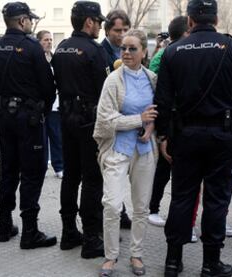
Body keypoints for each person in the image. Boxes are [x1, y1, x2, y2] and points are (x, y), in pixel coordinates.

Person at [154, 0, 232, 276]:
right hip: (222, 135)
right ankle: (211, 264)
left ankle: (172, 262)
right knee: (216, 199)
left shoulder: (173, 51)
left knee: (181, 198)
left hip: (185, 135)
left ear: (189, 21)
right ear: (216, 19)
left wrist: (163, 135)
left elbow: (162, 100)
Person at [0, 2, 57, 249]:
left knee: (8, 170)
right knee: (31, 173)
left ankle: (4, 226)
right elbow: (49, 87)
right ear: (23, 20)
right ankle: (30, 231)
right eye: (30, 20)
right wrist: (41, 111)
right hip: (28, 119)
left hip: (5, 116)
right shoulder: (31, 47)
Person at [94, 29, 158, 277]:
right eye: (124, 48)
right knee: (111, 204)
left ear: (144, 51)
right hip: (117, 150)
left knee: (141, 207)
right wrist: (138, 120)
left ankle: (136, 255)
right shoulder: (113, 80)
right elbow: (106, 119)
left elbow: (157, 113)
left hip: (144, 151)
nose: (127, 53)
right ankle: (110, 257)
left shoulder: (152, 78)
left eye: (133, 48)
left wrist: (150, 125)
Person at [51, 1, 109, 258]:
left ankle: (67, 233)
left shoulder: (61, 48)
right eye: (99, 22)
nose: (100, 26)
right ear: (89, 22)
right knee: (92, 179)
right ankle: (91, 238)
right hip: (89, 122)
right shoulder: (95, 51)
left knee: (71, 176)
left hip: (66, 118)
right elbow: (106, 89)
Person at [147, 16, 189, 228]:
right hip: (167, 119)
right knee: (164, 168)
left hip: (175, 119)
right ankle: (152, 208)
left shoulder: (171, 53)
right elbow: (156, 90)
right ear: (185, 32)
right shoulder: (165, 55)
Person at [100, 8, 132, 230]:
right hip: (109, 120)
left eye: (125, 29)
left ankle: (121, 211)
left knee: (123, 171)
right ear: (107, 30)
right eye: (117, 30)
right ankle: (114, 216)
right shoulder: (101, 52)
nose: (121, 34)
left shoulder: (129, 50)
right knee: (110, 173)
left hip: (128, 120)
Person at [36, 30, 64, 179]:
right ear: (39, 42)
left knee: (56, 137)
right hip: (40, 105)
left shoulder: (54, 59)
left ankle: (58, 166)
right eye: (45, 40)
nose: (49, 42)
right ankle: (41, 165)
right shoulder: (35, 59)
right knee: (41, 139)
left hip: (55, 106)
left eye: (50, 40)